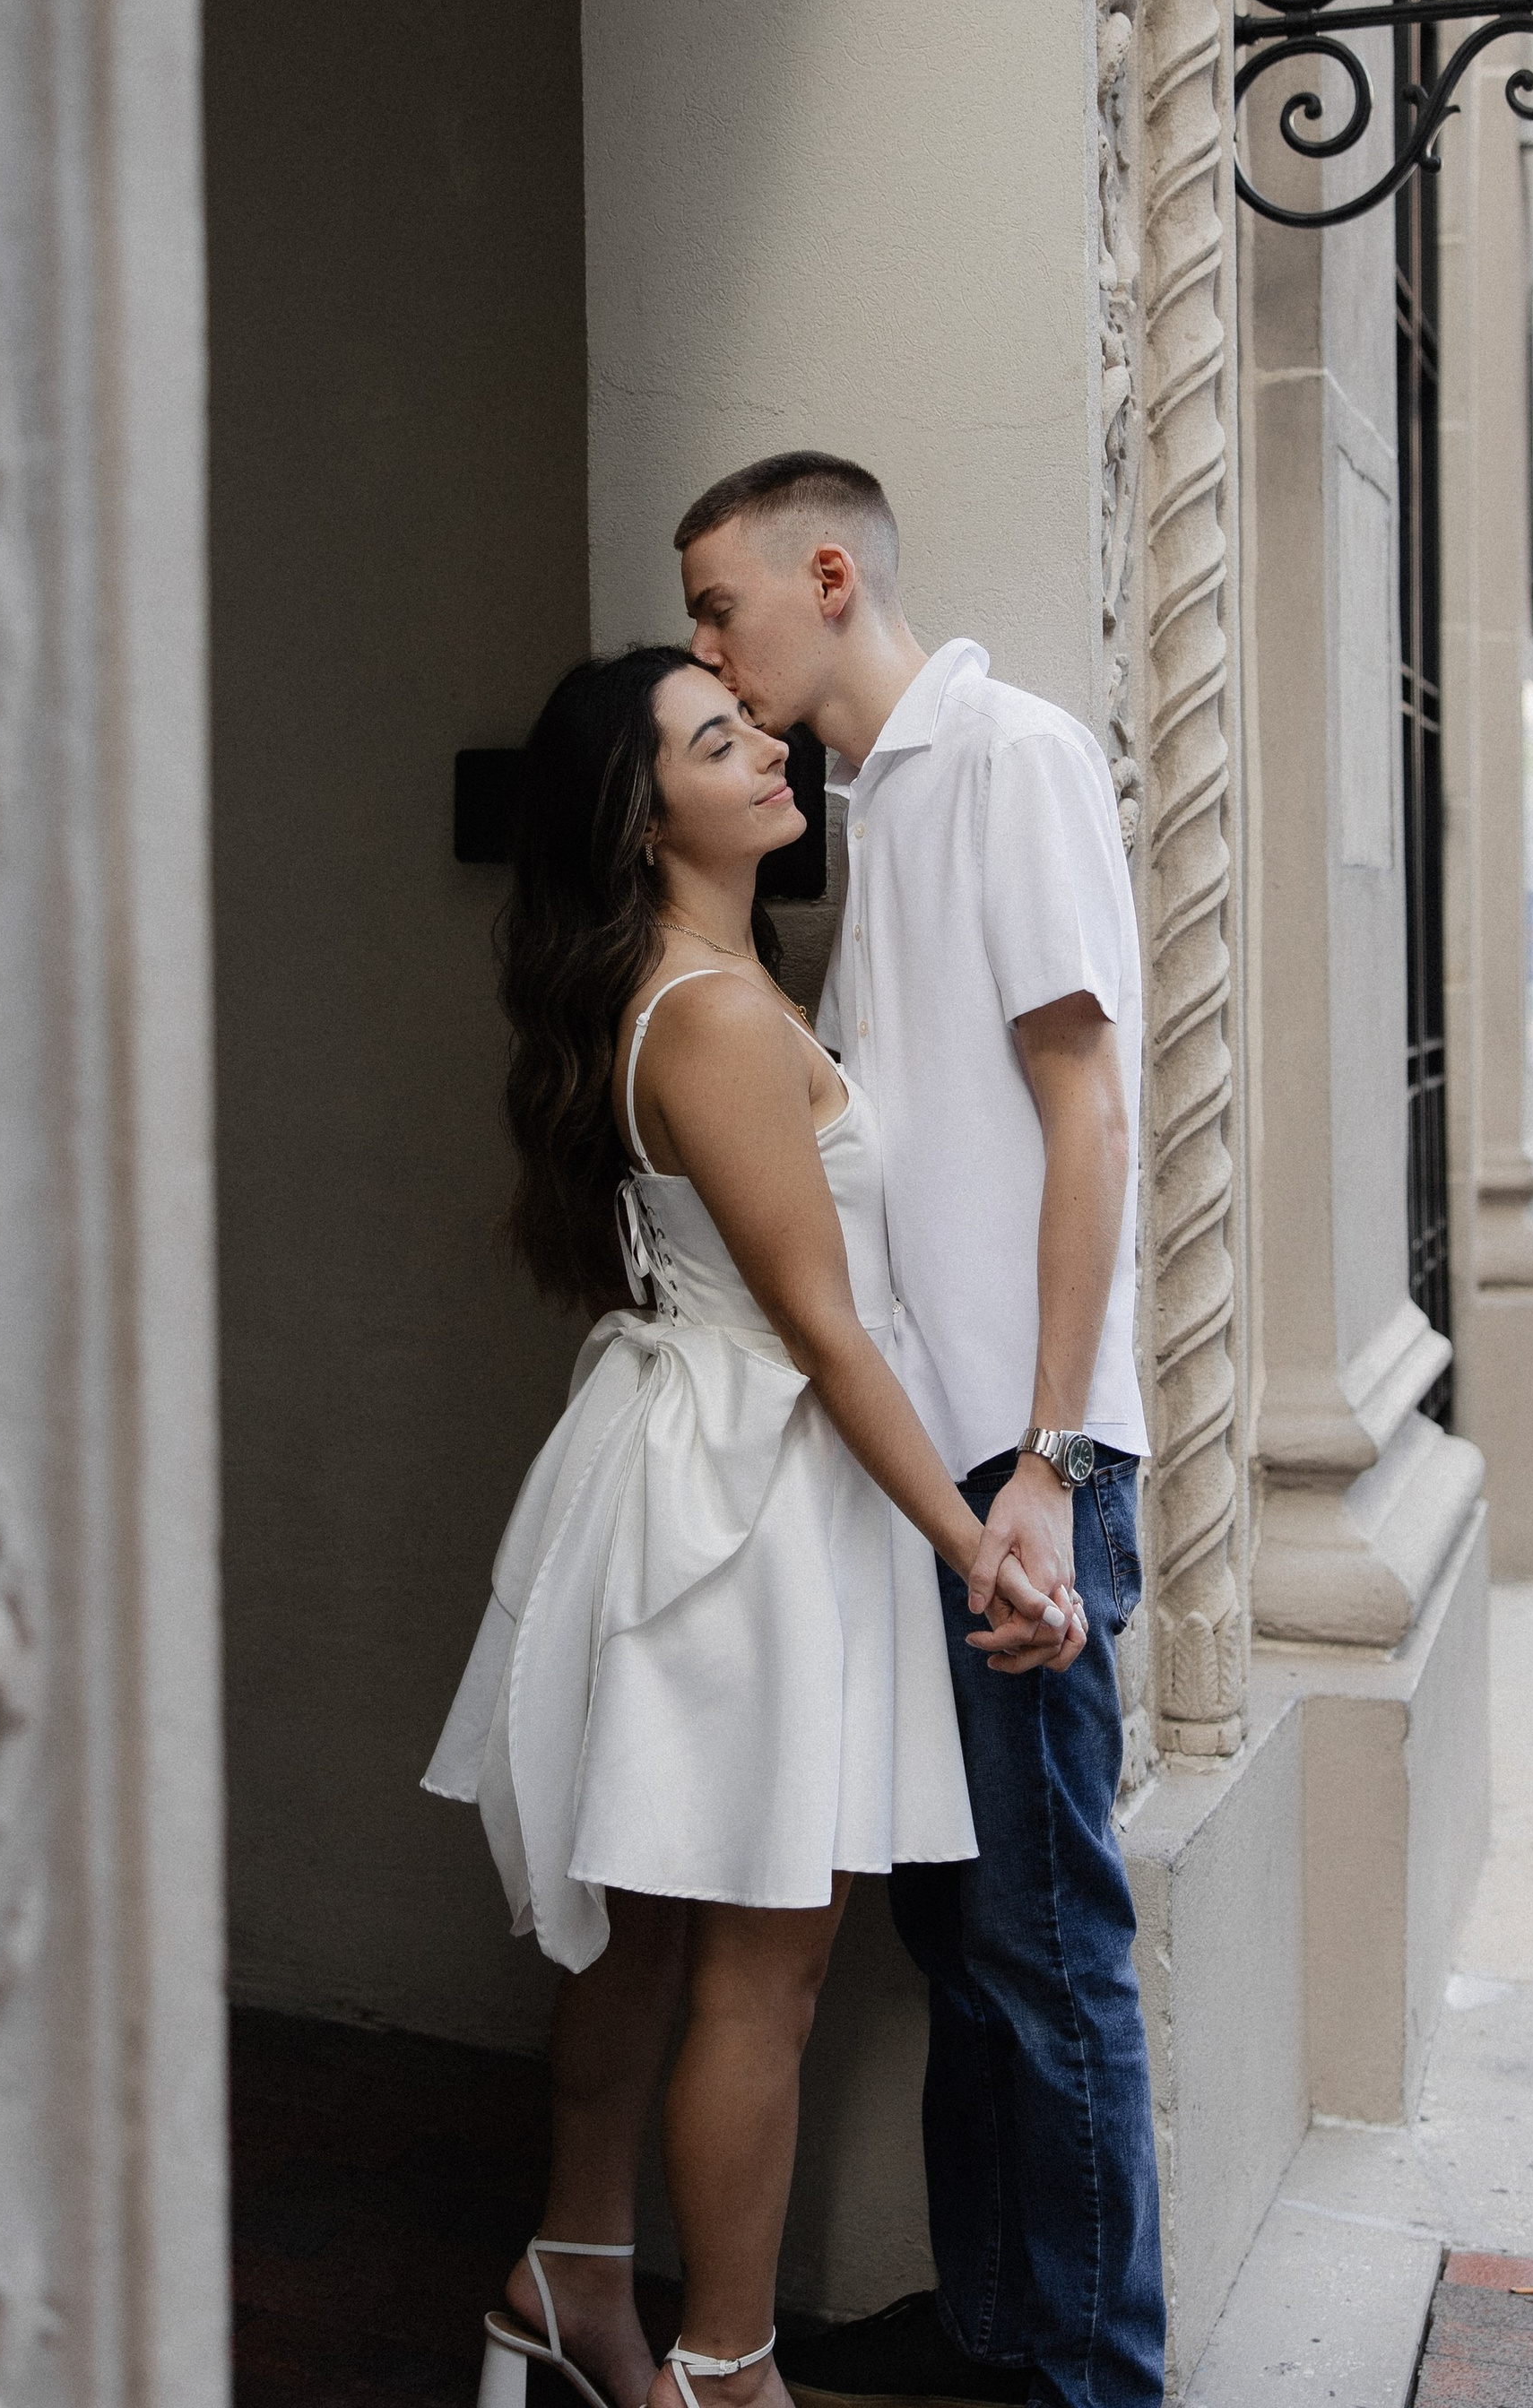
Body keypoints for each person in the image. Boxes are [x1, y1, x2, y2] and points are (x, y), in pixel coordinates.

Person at [423, 647, 1082, 2408]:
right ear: (649, 821)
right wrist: (977, 1538)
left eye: (747, 718)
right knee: (760, 1979)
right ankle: (728, 2373)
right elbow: (825, 1328)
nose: (769, 745)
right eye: (719, 742)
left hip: (704, 1478)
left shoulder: (714, 974)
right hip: (753, 1511)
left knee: (653, 1936)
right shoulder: (708, 1012)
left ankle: (569, 2278)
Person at [680, 455, 1165, 2408]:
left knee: (1045, 1953)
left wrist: (1045, 1457)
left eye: (719, 605)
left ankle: (1085, 2378)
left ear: (825, 571)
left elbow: (1088, 1109)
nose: (708, 644)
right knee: (971, 1949)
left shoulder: (1008, 756)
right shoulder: (880, 802)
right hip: (939, 1470)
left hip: (1014, 1469)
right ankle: (995, 2328)